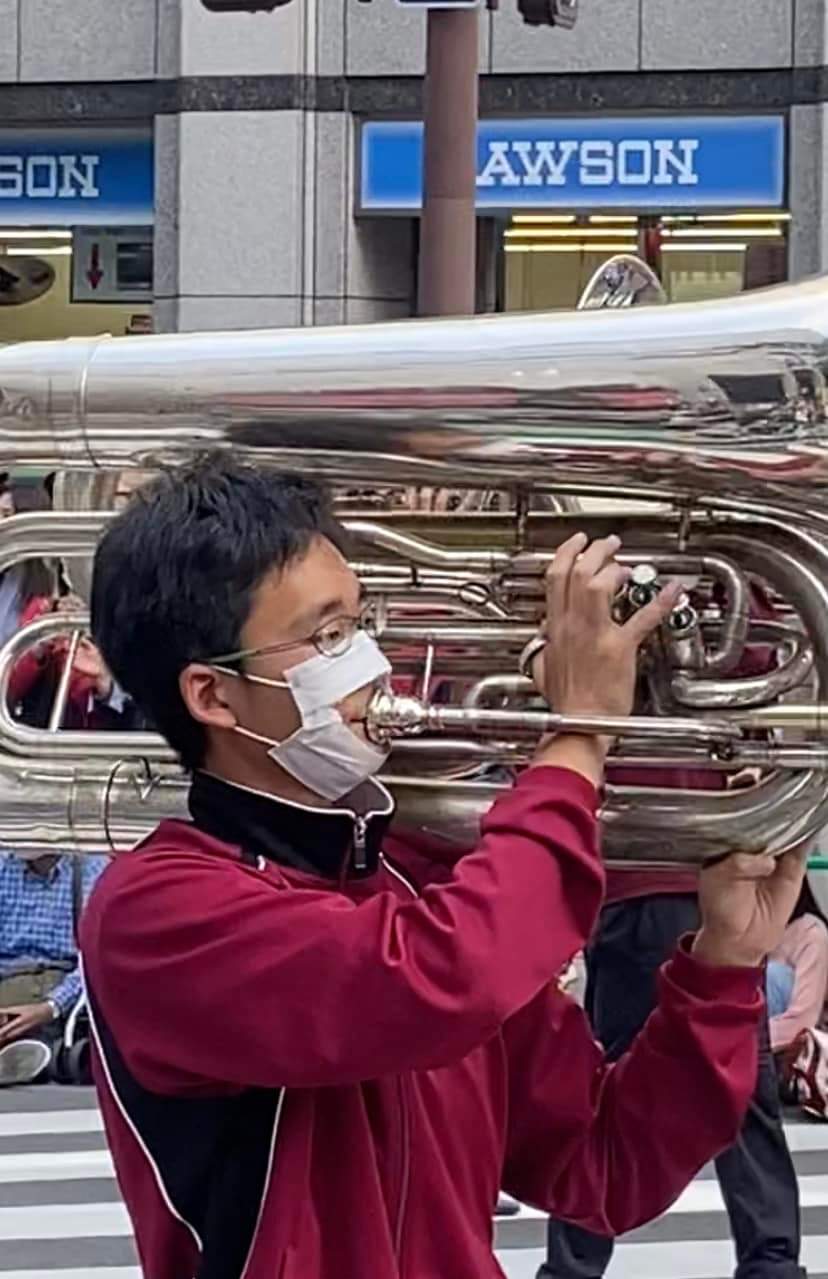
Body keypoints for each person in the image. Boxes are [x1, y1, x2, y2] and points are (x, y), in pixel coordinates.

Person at [81, 455, 806, 1279]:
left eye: (360, 621)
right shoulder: (155, 910)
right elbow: (440, 976)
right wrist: (576, 737)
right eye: (327, 636)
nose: (369, 660)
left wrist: (724, 963)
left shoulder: (407, 883)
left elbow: (604, 1162)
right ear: (213, 695)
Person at [0, 848, 108, 1085]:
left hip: (64, 983)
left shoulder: (93, 872)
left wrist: (52, 1006)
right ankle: (26, 1057)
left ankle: (32, 1055)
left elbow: (95, 960)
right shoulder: (3, 868)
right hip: (9, 979)